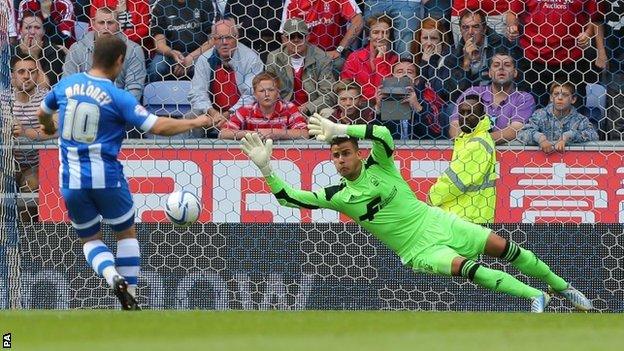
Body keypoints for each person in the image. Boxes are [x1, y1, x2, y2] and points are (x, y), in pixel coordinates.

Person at [239, 114, 594, 313]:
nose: (341, 160)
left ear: (357, 154)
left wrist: (344, 128)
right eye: (336, 156)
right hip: (417, 249)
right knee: (466, 268)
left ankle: (564, 288)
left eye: (345, 152)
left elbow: (383, 133)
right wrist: (267, 170)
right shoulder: (338, 195)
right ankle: (536, 298)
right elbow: (290, 199)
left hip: (436, 219)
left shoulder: (381, 165)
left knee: (505, 248)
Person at [37, 35, 219, 310]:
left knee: (90, 239)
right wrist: (197, 120)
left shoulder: (66, 84)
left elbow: (43, 111)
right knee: (126, 234)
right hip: (107, 178)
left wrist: (50, 128)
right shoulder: (117, 97)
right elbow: (156, 126)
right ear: (120, 61)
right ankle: (130, 296)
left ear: (91, 56)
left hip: (72, 180)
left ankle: (111, 275)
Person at [428, 95, 496, 223]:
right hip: (466, 215)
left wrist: (432, 197)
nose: (464, 117)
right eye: (461, 112)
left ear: (482, 116)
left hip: (468, 218)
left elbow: (456, 181)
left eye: (470, 112)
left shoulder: (477, 144)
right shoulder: (467, 137)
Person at [448, 51, 535, 144]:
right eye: (496, 65)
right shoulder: (472, 93)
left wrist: (477, 141)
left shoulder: (523, 98)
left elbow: (515, 130)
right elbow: (455, 126)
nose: (501, 68)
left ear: (515, 73)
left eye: (507, 65)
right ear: (489, 73)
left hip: (506, 154)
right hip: (470, 153)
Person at [63, 6, 146, 101]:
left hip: (118, 108)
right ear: (93, 24)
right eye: (101, 22)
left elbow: (134, 89)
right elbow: (67, 84)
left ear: (118, 24)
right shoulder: (77, 48)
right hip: (83, 107)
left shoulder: (133, 50)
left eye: (110, 23)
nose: (105, 27)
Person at [265, 18, 336, 116]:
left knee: (328, 113)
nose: (296, 40)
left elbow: (329, 94)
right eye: (291, 36)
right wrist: (285, 109)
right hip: (283, 110)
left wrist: (308, 108)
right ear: (284, 39)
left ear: (307, 38)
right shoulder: (274, 58)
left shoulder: (321, 58)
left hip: (313, 110)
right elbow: (268, 90)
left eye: (300, 36)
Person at [218, 71, 308, 140]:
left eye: (271, 90)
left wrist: (276, 133)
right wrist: (254, 134)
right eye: (261, 91)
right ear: (254, 94)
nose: (267, 94)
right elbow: (223, 133)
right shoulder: (246, 110)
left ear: (278, 92)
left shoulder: (289, 108)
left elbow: (304, 133)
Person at [518, 81, 599, 153]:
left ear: (573, 99)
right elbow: (522, 133)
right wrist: (540, 138)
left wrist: (568, 136)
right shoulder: (540, 115)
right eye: (556, 94)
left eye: (565, 95)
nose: (560, 98)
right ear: (551, 98)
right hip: (543, 161)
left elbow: (593, 135)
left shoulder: (580, 119)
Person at [340, 14, 398, 102]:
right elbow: (346, 85)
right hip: (358, 105)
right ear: (368, 35)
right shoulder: (355, 57)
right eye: (376, 32)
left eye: (385, 32)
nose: (380, 37)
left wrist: (380, 60)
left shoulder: (394, 60)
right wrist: (374, 95)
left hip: (384, 106)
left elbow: (387, 91)